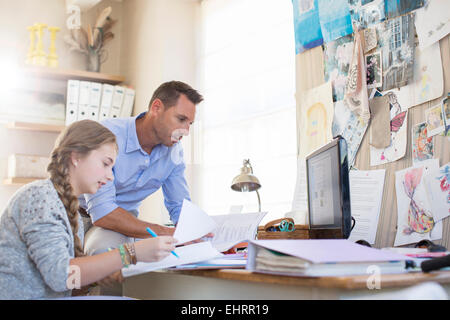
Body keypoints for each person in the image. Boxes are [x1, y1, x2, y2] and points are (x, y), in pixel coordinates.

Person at [0, 120, 177, 299]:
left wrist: (98, 275)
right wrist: (131, 253)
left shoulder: (69, 210)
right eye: (105, 164)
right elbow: (61, 277)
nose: (110, 176)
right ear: (76, 157)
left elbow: (67, 284)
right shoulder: (39, 198)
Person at [82, 81, 204, 256]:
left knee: (160, 253)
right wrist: (166, 232)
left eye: (190, 124)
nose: (186, 131)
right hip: (84, 217)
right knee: (107, 251)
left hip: (126, 223)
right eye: (181, 119)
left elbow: (179, 207)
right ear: (156, 108)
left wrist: (200, 237)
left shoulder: (174, 151)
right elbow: (103, 213)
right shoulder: (107, 135)